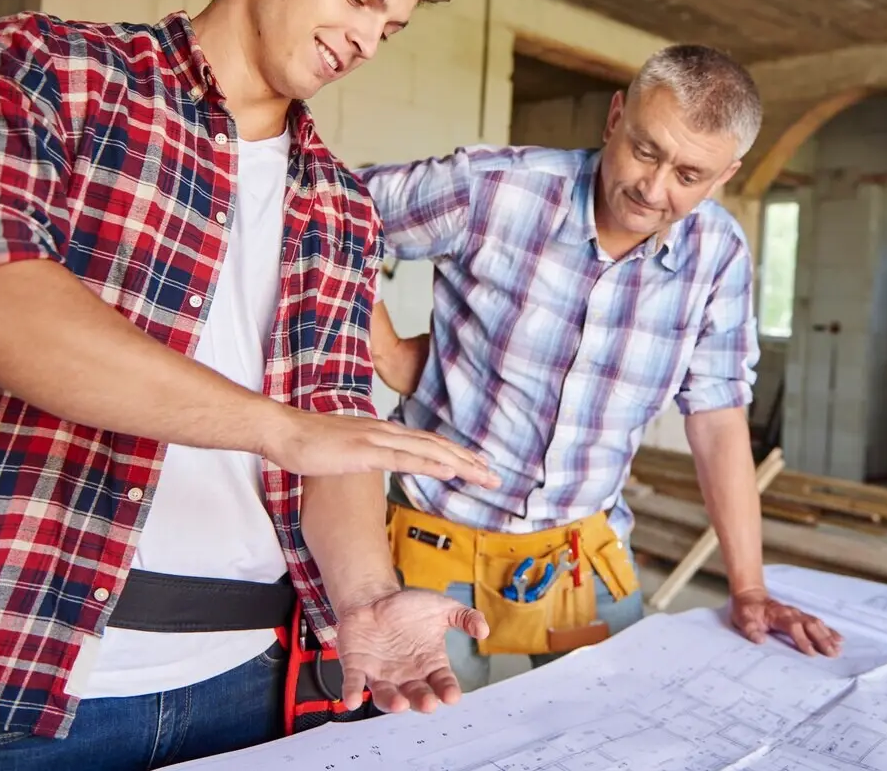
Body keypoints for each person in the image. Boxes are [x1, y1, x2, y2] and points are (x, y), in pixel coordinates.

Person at [0, 0, 499, 769]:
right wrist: (275, 430)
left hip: (248, 684)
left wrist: (370, 594)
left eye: (393, 26)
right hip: (24, 669)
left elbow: (337, 429)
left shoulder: (341, 204)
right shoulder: (50, 72)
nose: (370, 41)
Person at [359, 44, 843, 692]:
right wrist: (386, 351)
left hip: (581, 555)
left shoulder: (718, 255)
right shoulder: (495, 189)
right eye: (645, 150)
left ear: (726, 172)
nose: (654, 188)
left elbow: (719, 418)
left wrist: (748, 586)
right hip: (434, 535)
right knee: (426, 741)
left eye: (690, 175)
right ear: (615, 117)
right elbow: (329, 211)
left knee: (619, 733)